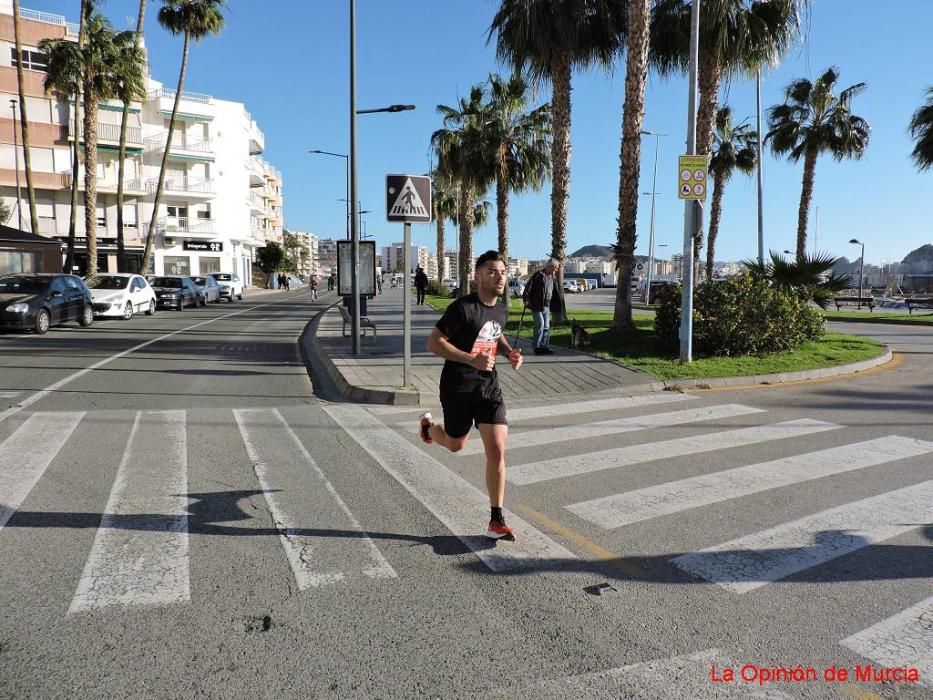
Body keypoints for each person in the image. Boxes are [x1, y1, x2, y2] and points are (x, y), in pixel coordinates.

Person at [419, 250, 523, 541]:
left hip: (488, 387)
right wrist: (470, 359)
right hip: (458, 386)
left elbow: (495, 334)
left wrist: (509, 353)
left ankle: (496, 519)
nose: (500, 276)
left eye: (503, 271)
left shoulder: (501, 308)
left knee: (497, 450)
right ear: (478, 277)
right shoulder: (462, 309)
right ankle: (428, 429)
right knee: (455, 445)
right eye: (492, 271)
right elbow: (434, 343)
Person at [522, 258, 562, 355]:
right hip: (537, 305)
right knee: (540, 325)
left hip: (546, 306)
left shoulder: (553, 277)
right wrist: (526, 299)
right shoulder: (538, 275)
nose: (556, 270)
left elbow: (554, 292)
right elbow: (528, 287)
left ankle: (544, 346)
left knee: (546, 327)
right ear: (550, 266)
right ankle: (537, 346)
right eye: (555, 268)